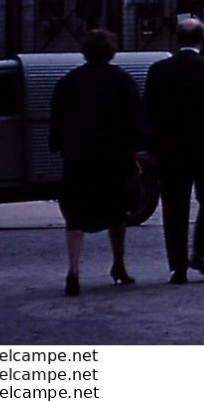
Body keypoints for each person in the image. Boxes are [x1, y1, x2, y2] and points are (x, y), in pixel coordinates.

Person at [48, 28, 143, 297]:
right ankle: (119, 265)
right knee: (117, 211)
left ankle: (74, 270)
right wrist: (135, 153)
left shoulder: (68, 82)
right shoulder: (122, 81)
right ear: (112, 52)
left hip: (78, 158)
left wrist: (57, 145)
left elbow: (57, 121)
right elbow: (135, 122)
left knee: (75, 215)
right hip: (114, 157)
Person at [144, 16, 204, 285]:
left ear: (176, 40)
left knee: (174, 208)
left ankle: (178, 265)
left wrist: (151, 149)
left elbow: (148, 112)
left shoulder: (159, 70)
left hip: (170, 149)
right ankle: (202, 249)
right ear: (203, 41)